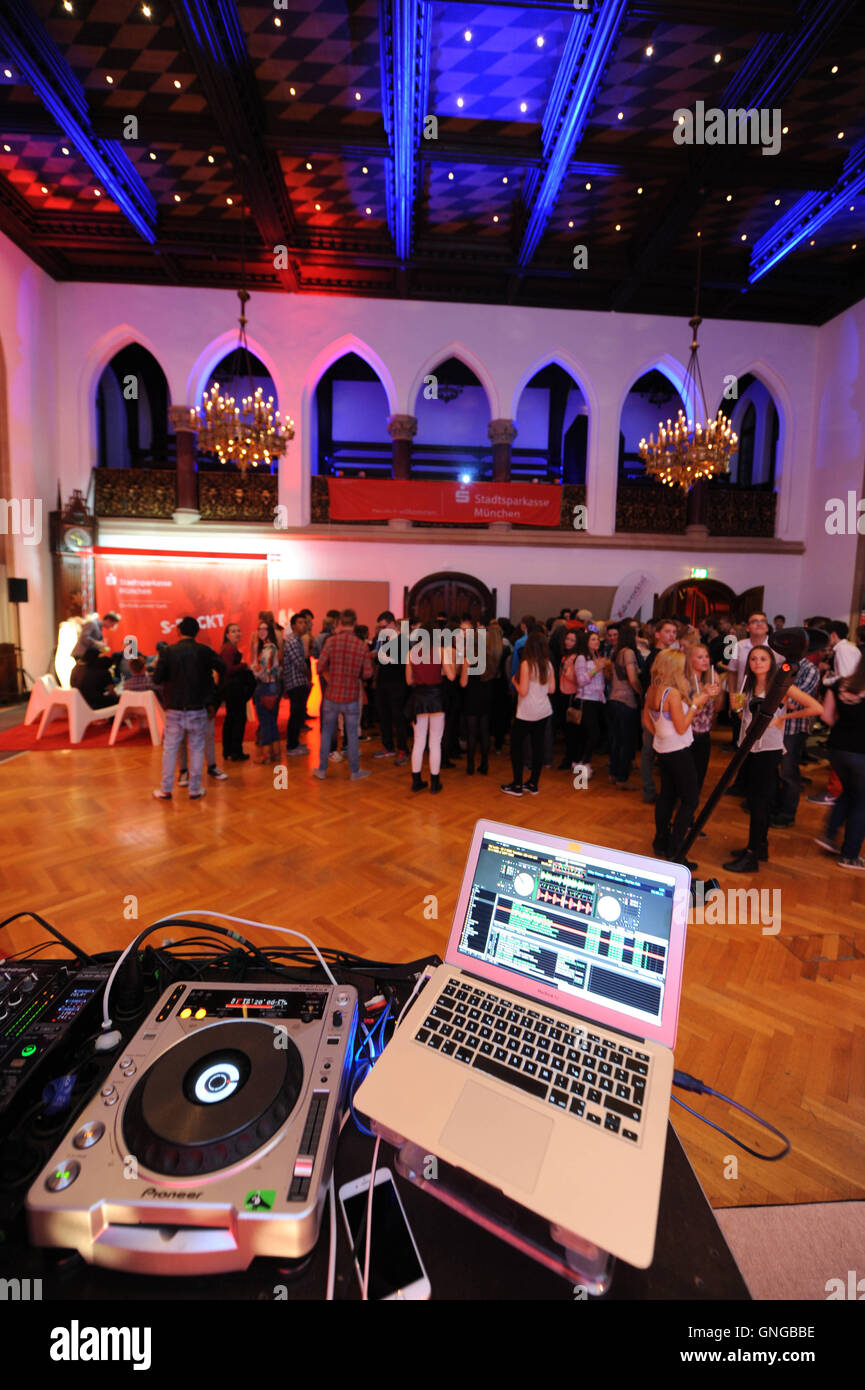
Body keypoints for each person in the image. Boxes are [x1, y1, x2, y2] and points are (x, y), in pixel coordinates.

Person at [723, 646, 822, 873]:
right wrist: (737, 709)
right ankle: (760, 847)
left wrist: (784, 717)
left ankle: (752, 855)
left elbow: (815, 707)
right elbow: (743, 714)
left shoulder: (780, 686)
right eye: (754, 659)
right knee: (755, 798)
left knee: (759, 801)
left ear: (771, 663)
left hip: (768, 749)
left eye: (763, 659)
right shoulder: (747, 683)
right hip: (749, 748)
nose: (758, 662)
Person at [643, 650, 710, 870]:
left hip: (663, 749)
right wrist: (695, 705)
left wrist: (661, 733)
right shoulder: (671, 693)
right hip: (678, 750)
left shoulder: (654, 688)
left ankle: (660, 841)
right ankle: (676, 851)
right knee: (690, 800)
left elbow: (646, 719)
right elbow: (682, 727)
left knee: (667, 796)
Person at [153, 617, 225, 801]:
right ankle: (194, 789)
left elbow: (157, 678)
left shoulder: (168, 652)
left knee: (170, 749)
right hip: (197, 707)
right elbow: (222, 667)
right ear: (197, 631)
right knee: (196, 748)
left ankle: (166, 789)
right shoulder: (204, 651)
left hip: (175, 707)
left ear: (178, 630)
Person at [815, 654, 865, 869]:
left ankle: (829, 836)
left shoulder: (839, 684)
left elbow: (826, 716)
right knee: (862, 802)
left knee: (849, 793)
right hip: (861, 752)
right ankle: (849, 855)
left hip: (838, 749)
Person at [314, 609, 374, 782]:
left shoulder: (331, 642)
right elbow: (368, 673)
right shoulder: (361, 645)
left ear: (339, 622)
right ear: (355, 623)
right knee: (352, 734)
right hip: (352, 695)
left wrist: (330, 676)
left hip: (332, 694)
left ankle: (322, 769)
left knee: (327, 732)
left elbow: (319, 667)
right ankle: (355, 772)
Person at [501, 627, 555, 797]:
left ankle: (517, 785)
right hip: (544, 710)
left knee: (516, 746)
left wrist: (513, 682)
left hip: (527, 711)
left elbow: (522, 691)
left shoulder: (526, 664)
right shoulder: (548, 664)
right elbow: (552, 689)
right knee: (537, 746)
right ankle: (533, 783)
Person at [771, 645, 820, 826]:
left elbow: (791, 703)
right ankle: (775, 806)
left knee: (788, 772)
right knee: (775, 769)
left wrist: (780, 694)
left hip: (793, 727)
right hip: (777, 726)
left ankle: (787, 813)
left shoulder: (809, 669)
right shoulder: (783, 666)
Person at [404, 622, 455, 793]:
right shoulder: (440, 651)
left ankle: (416, 781)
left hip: (418, 700)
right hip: (436, 699)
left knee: (418, 742)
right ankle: (435, 783)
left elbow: (409, 681)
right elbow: (452, 676)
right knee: (435, 742)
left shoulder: (412, 653)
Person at [639, 618, 679, 803]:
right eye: (667, 631)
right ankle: (650, 791)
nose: (671, 635)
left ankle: (662, 791)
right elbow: (648, 684)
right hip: (655, 710)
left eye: (674, 632)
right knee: (650, 751)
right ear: (657, 634)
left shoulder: (669, 654)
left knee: (657, 751)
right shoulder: (658, 656)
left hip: (665, 709)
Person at [607, 625, 643, 788]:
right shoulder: (628, 652)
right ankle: (622, 778)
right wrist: (641, 692)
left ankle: (614, 774)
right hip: (626, 700)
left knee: (616, 740)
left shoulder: (617, 652)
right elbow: (632, 679)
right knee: (627, 742)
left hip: (613, 699)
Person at [571, 629, 609, 780]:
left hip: (597, 700)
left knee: (590, 734)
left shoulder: (596, 656)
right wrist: (597, 669)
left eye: (597, 639)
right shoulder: (581, 658)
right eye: (593, 639)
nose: (596, 642)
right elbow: (581, 681)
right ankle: (583, 763)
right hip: (586, 700)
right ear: (586, 642)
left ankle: (581, 762)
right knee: (593, 734)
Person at [684, 644, 722, 793]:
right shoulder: (685, 683)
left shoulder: (710, 680)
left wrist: (719, 693)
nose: (705, 660)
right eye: (700, 657)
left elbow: (717, 709)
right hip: (687, 735)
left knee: (700, 774)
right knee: (686, 776)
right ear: (690, 660)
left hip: (704, 734)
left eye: (706, 656)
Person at [372, 612, 409, 766]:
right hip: (383, 683)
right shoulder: (382, 639)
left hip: (398, 684)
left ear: (393, 623)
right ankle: (388, 747)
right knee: (384, 716)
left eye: (384, 626)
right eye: (380, 627)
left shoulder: (403, 640)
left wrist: (383, 656)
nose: (381, 629)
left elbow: (402, 663)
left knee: (399, 718)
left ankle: (403, 750)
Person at [460, 620, 496, 775]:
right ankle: (485, 764)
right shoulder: (490, 657)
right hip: (486, 696)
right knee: (484, 731)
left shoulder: (468, 658)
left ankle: (470, 766)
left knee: (472, 733)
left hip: (471, 696)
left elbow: (463, 683)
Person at [219, 623, 253, 762]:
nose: (237, 633)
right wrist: (244, 665)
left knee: (231, 719)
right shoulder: (229, 649)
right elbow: (228, 669)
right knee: (238, 719)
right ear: (227, 635)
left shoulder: (229, 648)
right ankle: (235, 751)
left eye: (238, 630)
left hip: (231, 688)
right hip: (233, 689)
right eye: (233, 631)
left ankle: (229, 750)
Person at [251, 619, 282, 763]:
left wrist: (252, 669)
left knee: (265, 722)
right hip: (274, 687)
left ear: (270, 631)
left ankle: (267, 755)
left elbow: (263, 671)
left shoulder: (267, 648)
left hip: (265, 687)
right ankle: (276, 753)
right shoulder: (273, 647)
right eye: (259, 629)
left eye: (265, 629)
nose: (261, 631)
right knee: (272, 721)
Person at [282, 613, 311, 756]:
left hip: (299, 681)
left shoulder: (297, 639)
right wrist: (307, 673)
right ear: (293, 626)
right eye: (300, 622)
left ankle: (295, 743)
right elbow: (299, 662)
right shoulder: (293, 641)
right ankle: (291, 745)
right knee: (295, 714)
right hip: (295, 682)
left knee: (298, 714)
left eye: (304, 622)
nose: (303, 625)